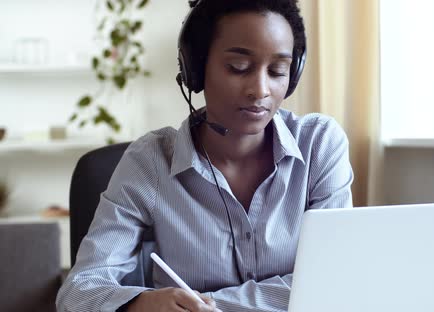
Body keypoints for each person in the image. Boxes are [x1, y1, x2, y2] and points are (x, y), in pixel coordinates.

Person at [56, 0, 353, 311]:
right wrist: (139, 304)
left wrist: (205, 305)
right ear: (195, 70)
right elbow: (78, 293)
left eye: (278, 70)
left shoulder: (319, 144)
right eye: (239, 68)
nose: (260, 89)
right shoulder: (150, 162)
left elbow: (334, 278)